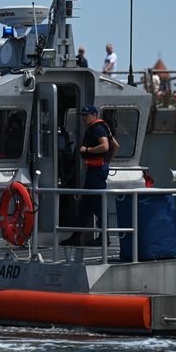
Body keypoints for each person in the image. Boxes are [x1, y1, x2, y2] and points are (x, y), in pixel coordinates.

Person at [61, 105, 111, 246]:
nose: (84, 117)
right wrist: (106, 163)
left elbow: (105, 146)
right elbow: (116, 146)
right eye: (83, 115)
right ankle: (76, 236)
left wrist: (87, 149)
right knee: (86, 205)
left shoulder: (98, 128)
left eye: (87, 115)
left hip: (97, 171)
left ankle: (104, 237)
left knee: (98, 203)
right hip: (95, 169)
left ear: (94, 115)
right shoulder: (98, 127)